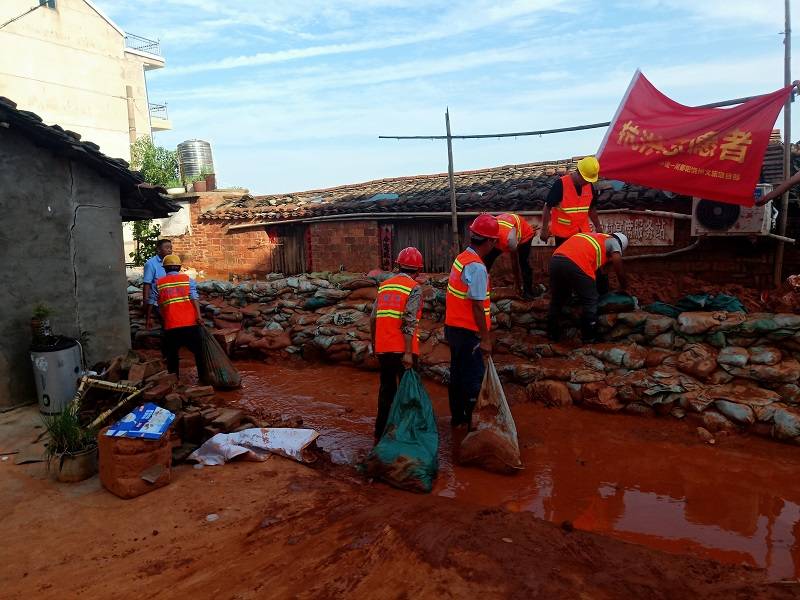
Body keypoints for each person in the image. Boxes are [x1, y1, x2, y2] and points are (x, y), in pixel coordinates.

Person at [445, 214, 497, 427]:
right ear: (491, 242)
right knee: (473, 378)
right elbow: (477, 304)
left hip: (453, 328)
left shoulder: (462, 258)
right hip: (468, 332)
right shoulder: (477, 267)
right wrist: (485, 338)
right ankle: (471, 425)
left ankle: (458, 419)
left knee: (457, 375)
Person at [369, 247, 424, 442]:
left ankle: (380, 435)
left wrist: (374, 344)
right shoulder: (414, 288)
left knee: (386, 393)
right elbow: (409, 320)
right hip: (403, 350)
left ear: (397, 266)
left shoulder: (384, 285)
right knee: (408, 394)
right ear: (417, 271)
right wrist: (408, 353)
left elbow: (373, 318)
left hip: (384, 348)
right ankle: (407, 436)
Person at [547, 232, 629, 343]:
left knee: (558, 299)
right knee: (590, 300)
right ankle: (589, 337)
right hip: (577, 263)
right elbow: (617, 260)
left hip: (555, 260)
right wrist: (623, 285)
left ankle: (552, 333)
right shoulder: (613, 241)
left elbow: (600, 272)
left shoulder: (593, 237)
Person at [146, 254, 206, 379]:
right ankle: (203, 378)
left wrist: (148, 319)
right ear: (179, 267)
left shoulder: (159, 283)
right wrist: (199, 316)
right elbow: (194, 298)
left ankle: (174, 381)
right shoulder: (187, 280)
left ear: (164, 269)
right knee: (199, 353)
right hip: (190, 323)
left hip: (171, 324)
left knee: (172, 355)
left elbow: (151, 301)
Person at [540, 156, 602, 247]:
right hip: (563, 236)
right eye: (586, 179)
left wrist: (598, 226)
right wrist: (544, 229)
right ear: (578, 172)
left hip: (583, 234)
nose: (587, 182)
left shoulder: (589, 186)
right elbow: (547, 207)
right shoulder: (560, 185)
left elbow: (592, 208)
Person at [483, 212, 538, 298]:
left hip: (525, 235)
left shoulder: (508, 239)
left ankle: (528, 292)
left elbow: (513, 251)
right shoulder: (489, 230)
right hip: (508, 228)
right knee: (486, 262)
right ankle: (482, 288)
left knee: (524, 263)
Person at [142, 239, 172, 316]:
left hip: (169, 298)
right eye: (167, 248)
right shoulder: (151, 264)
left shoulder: (171, 262)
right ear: (158, 250)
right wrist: (145, 302)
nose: (170, 250)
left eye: (171, 248)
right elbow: (147, 284)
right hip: (156, 301)